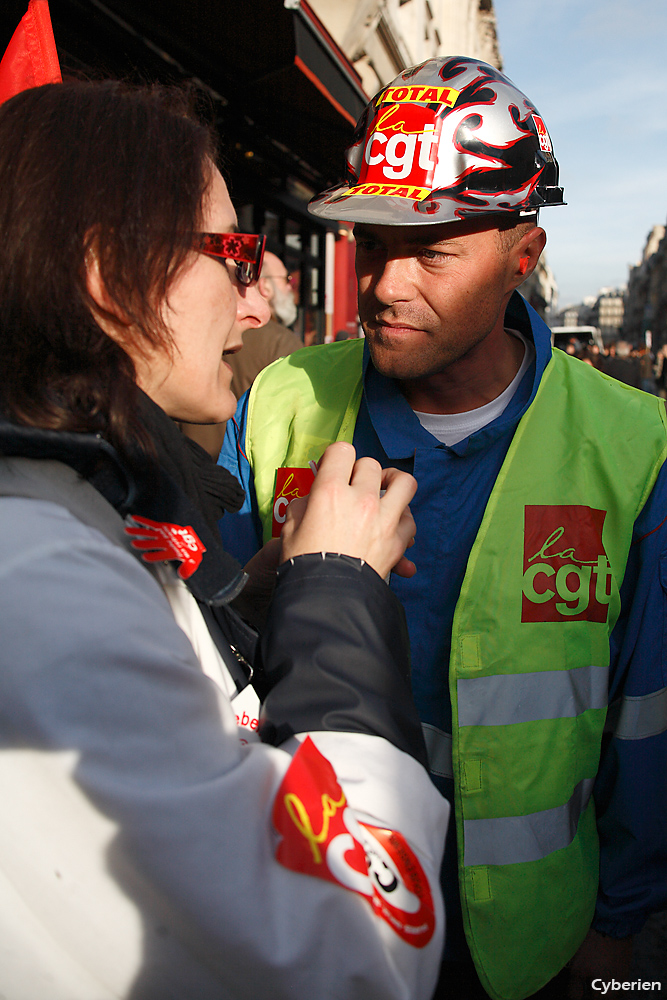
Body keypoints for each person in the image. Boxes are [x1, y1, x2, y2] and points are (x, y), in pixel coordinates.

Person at [218, 57, 667, 1000]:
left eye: (431, 252)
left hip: (530, 944)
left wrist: (618, 921)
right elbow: (200, 647)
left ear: (523, 259)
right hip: (314, 910)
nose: (383, 284)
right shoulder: (278, 403)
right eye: (374, 243)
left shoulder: (635, 448)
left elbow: (646, 711)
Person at [0, 80, 449, 1000]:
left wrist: (252, 593)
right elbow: (351, 949)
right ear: (105, 273)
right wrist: (335, 591)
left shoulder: (69, 509)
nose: (255, 309)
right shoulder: (37, 576)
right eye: (234, 256)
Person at [226, 250, 303, 399]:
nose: (290, 287)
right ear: (265, 286)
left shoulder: (217, 328)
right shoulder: (282, 342)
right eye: (286, 279)